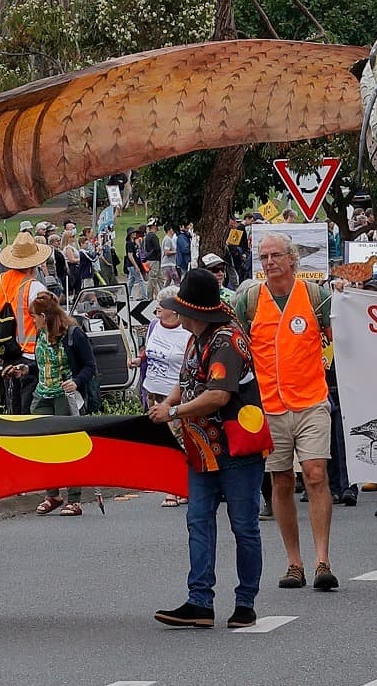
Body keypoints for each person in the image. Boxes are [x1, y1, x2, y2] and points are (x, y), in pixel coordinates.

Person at [151, 269, 266, 629]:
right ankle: (200, 600)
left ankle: (245, 600)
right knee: (198, 521)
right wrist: (169, 401)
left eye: (180, 309)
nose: (175, 315)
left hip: (236, 450)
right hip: (202, 449)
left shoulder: (226, 343)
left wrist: (172, 412)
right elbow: (184, 382)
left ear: (195, 313)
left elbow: (217, 395)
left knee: (244, 526)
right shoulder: (196, 340)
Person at [232, 231, 340, 592]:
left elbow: (343, 331)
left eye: (276, 255)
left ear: (293, 259)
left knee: (315, 473)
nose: (269, 263)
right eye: (263, 257)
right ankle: (294, 562)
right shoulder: (248, 300)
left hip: (311, 400)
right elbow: (235, 345)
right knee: (280, 480)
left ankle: (322, 559)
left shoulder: (314, 295)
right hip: (269, 406)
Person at [28, 292, 97, 517]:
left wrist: (76, 382)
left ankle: (74, 498)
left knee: (67, 445)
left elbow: (89, 366)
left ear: (45, 316)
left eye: (35, 316)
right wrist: (24, 370)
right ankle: (52, 494)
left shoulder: (73, 334)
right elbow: (41, 365)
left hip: (64, 397)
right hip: (42, 395)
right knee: (44, 448)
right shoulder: (40, 334)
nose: (33, 321)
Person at [134, 285, 192, 508]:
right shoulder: (154, 326)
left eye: (162, 304)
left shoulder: (186, 331)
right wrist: (140, 360)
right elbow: (148, 350)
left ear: (175, 309)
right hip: (153, 391)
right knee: (162, 442)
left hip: (175, 395)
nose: (157, 307)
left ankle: (180, 488)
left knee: (179, 442)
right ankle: (172, 487)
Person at [0, 233, 51, 416]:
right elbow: (49, 325)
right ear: (35, 262)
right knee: (33, 414)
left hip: (8, 354)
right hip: (32, 358)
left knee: (14, 412)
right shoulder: (35, 288)